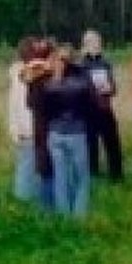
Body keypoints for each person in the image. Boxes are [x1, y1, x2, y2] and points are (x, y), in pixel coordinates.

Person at [41, 43, 95, 217]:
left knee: (60, 176)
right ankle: (79, 215)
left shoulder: (49, 82)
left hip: (55, 132)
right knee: (81, 177)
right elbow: (91, 104)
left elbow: (44, 110)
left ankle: (64, 215)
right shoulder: (83, 78)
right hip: (76, 132)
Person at [79, 30, 123, 181]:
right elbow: (80, 88)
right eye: (93, 42)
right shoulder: (81, 65)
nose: (97, 45)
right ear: (85, 45)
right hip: (89, 109)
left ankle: (116, 175)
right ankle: (93, 174)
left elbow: (114, 87)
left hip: (105, 107)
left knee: (112, 142)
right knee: (91, 144)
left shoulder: (105, 63)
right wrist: (92, 89)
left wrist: (110, 88)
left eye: (98, 42)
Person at [22, 37, 56, 210]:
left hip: (46, 127)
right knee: (46, 165)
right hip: (44, 128)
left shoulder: (38, 76)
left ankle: (47, 205)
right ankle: (48, 205)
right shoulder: (34, 76)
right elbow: (32, 102)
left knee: (46, 164)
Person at [8, 36, 39, 203]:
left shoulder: (15, 74)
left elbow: (12, 105)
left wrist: (13, 128)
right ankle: (24, 199)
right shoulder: (26, 74)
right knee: (28, 166)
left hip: (20, 127)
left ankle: (22, 198)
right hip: (29, 128)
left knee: (24, 164)